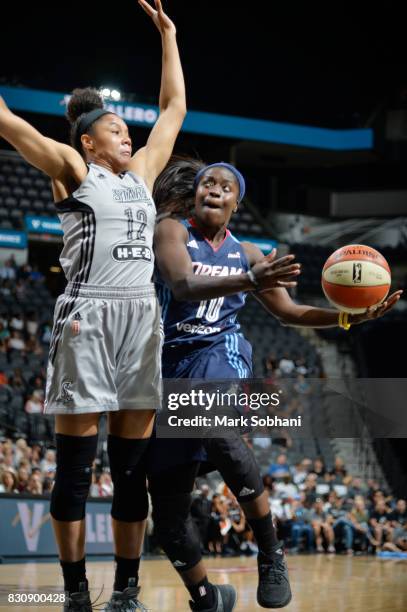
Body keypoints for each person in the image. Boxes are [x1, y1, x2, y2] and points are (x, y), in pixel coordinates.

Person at [146, 156, 402, 611]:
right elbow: (182, 285)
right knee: (167, 517)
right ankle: (207, 597)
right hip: (170, 368)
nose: (214, 188)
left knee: (217, 430)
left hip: (219, 353)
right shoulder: (173, 230)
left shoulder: (247, 254)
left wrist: (349, 316)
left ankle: (271, 551)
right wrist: (249, 279)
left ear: (236, 204)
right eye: (208, 182)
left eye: (226, 186)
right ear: (197, 193)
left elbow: (288, 312)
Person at [0, 1, 186, 610]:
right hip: (88, 315)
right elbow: (7, 122)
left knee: (132, 473)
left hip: (140, 317)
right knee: (75, 471)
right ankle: (76, 592)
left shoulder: (143, 176)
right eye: (115, 130)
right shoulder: (75, 168)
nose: (128, 136)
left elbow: (173, 109)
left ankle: (127, 592)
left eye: (127, 131)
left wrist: (169, 36)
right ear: (87, 139)